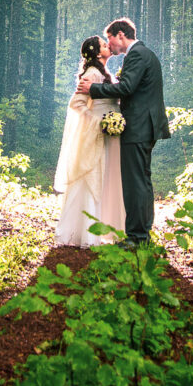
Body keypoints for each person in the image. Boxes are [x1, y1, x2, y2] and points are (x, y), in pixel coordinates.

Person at [77, 18, 169, 246]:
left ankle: (137, 238)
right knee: (142, 181)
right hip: (146, 126)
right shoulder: (144, 53)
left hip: (138, 127)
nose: (110, 45)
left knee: (135, 183)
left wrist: (93, 89)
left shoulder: (137, 54)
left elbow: (127, 87)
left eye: (110, 39)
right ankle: (142, 235)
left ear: (120, 35)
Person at [54, 36, 126, 246]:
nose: (108, 46)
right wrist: (97, 121)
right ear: (96, 53)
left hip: (109, 131)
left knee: (106, 175)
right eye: (104, 45)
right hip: (98, 131)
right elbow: (77, 103)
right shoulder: (92, 73)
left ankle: (104, 228)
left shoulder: (103, 73)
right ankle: (85, 233)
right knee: (93, 174)